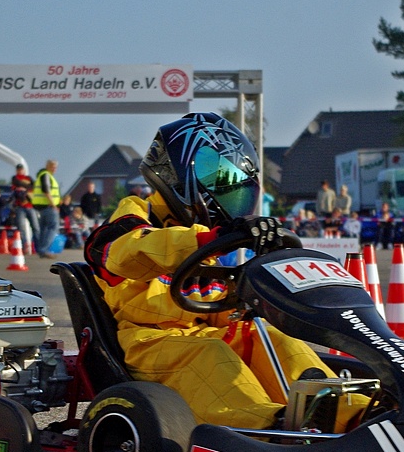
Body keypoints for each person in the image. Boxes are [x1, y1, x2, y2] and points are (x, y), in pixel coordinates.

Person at [83, 112, 368, 430]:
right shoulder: (132, 221)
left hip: (203, 334)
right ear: (181, 177)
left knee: (270, 338)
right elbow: (128, 254)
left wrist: (248, 294)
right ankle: (265, 428)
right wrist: (211, 239)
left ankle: (348, 413)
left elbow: (214, 305)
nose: (231, 202)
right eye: (222, 186)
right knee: (210, 353)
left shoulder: (197, 239)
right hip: (150, 344)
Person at [33, 159, 61, 258]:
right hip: (48, 206)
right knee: (53, 227)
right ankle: (44, 249)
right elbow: (46, 191)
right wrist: (53, 205)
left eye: (55, 167)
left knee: (44, 229)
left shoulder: (43, 176)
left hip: (42, 207)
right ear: (48, 166)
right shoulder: (46, 176)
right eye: (53, 167)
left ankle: (41, 250)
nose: (55, 169)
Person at [11, 163, 40, 249]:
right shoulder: (15, 178)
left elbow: (33, 186)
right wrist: (27, 187)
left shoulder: (29, 178)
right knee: (21, 228)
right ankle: (25, 246)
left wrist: (24, 188)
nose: (20, 171)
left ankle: (38, 246)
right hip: (20, 206)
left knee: (35, 227)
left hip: (30, 205)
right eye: (18, 169)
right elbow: (16, 184)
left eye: (21, 169)